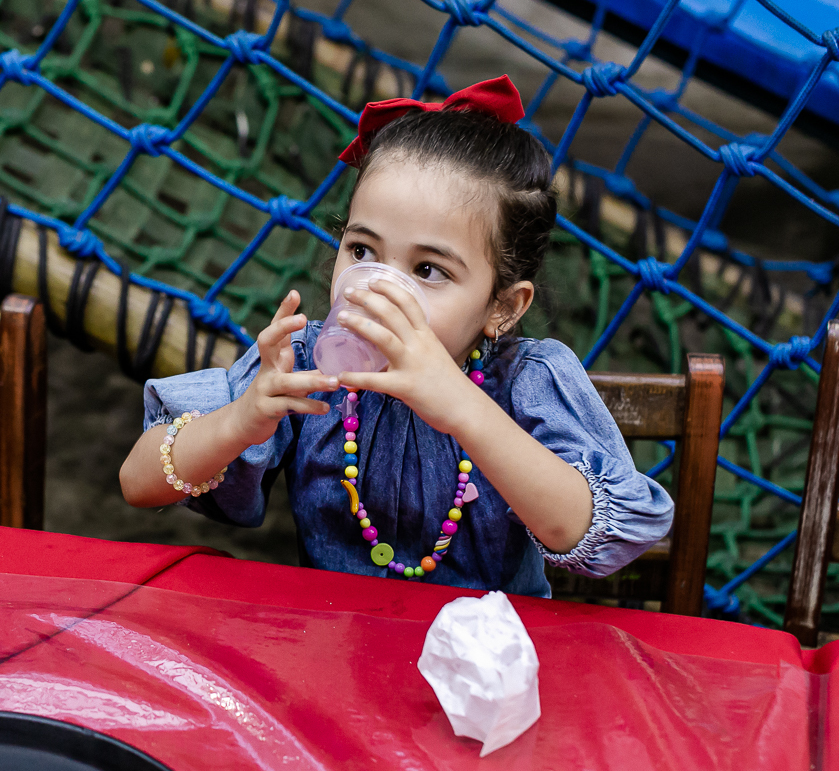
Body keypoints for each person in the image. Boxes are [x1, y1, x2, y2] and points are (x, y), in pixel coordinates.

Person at [119, 76, 672, 595]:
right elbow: (138, 482)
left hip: (485, 675)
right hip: (335, 651)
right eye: (362, 252)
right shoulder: (308, 365)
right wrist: (241, 421)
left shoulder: (526, 382)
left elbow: (610, 539)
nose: (381, 290)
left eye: (429, 270)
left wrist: (460, 405)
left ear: (502, 306)